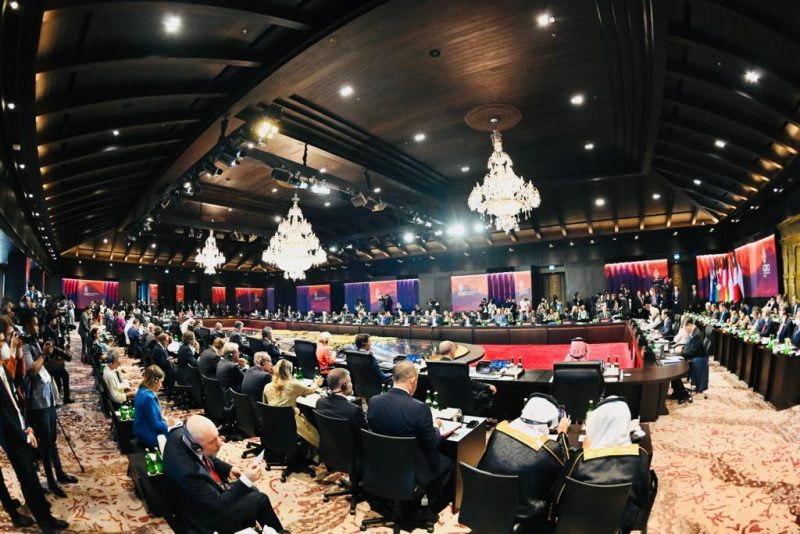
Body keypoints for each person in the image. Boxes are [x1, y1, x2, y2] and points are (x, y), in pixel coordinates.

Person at [162, 415, 285, 534]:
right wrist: (246, 479)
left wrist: (228, 469)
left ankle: (244, 524)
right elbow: (218, 505)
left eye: (217, 436)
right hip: (203, 519)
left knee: (252, 490)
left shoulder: (181, 435)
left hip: (201, 498)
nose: (220, 443)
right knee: (260, 499)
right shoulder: (188, 473)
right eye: (212, 442)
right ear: (196, 446)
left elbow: (206, 456)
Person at [367, 361, 454, 520]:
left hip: (380, 463)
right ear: (413, 380)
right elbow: (433, 444)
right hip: (410, 468)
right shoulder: (419, 408)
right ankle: (422, 507)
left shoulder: (374, 401)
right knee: (447, 464)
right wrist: (435, 426)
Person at [0, 334, 69, 532]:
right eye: (1, 342)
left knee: (31, 476)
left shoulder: (3, 367)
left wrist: (26, 425)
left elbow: (16, 396)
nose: (5, 345)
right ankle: (46, 523)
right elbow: (3, 416)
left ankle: (44, 513)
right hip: (12, 436)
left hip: (20, 428)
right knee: (29, 480)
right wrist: (23, 434)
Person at [555, 397, 651, 534]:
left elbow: (558, 496)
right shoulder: (641, 455)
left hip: (579, 526)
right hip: (621, 525)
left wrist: (585, 450)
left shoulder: (582, 458)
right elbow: (642, 498)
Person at [478, 394, 570, 532]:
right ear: (549, 422)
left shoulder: (499, 429)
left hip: (485, 500)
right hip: (522, 514)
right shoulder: (548, 448)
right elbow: (566, 467)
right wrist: (562, 434)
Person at [20, 311, 77, 498]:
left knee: (52, 440)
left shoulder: (35, 341)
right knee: (44, 445)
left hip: (48, 399)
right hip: (37, 403)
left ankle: (59, 473)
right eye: (34, 324)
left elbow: (43, 366)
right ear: (27, 325)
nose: (37, 327)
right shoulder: (25, 347)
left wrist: (51, 355)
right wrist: (44, 354)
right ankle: (51, 482)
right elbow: (32, 371)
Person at [315, 368, 367, 481]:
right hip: (352, 458)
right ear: (344, 385)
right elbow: (365, 436)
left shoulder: (320, 403)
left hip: (330, 452)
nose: (352, 384)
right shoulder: (354, 410)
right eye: (350, 382)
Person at [264, 359, 321, 448]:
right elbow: (310, 390)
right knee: (315, 434)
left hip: (273, 424)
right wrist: (317, 383)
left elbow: (266, 406)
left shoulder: (267, 386)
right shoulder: (293, 385)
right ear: (289, 371)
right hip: (290, 424)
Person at [437, 340, 496, 414]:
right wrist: (487, 386)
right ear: (452, 351)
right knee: (488, 394)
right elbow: (469, 383)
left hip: (444, 403)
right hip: (462, 404)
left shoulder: (434, 366)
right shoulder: (457, 367)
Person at [133, 365, 170, 449]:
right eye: (161, 382)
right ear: (155, 381)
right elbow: (155, 425)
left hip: (141, 430)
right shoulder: (148, 398)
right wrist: (168, 424)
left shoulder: (142, 389)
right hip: (149, 436)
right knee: (177, 437)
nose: (161, 385)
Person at [669, 317, 705, 402]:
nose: (685, 331)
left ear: (689, 325)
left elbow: (691, 353)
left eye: (685, 328)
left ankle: (683, 395)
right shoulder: (694, 332)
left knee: (673, 369)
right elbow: (688, 348)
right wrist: (681, 351)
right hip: (691, 358)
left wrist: (680, 352)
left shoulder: (696, 335)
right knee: (672, 365)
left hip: (693, 362)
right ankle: (677, 393)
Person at [217, 342, 245, 413]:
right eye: (237, 351)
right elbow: (245, 378)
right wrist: (245, 367)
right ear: (231, 354)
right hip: (233, 399)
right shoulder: (232, 366)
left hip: (224, 396)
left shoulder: (221, 362)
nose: (239, 353)